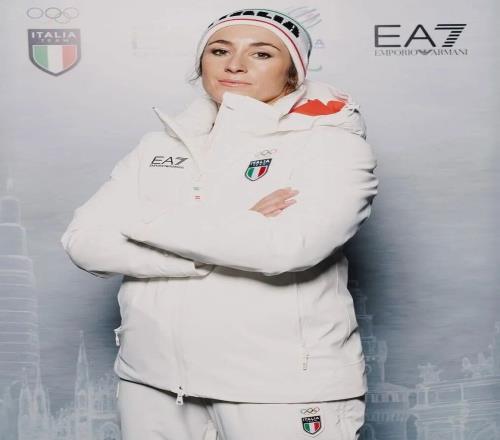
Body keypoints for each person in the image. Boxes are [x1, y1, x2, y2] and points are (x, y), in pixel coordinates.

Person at [61, 7, 378, 440]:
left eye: (262, 53)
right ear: (201, 63)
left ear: (293, 73)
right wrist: (222, 237)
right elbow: (84, 241)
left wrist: (143, 221)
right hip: (152, 380)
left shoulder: (331, 146)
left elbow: (287, 247)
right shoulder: (158, 146)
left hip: (278, 387)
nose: (235, 64)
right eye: (219, 50)